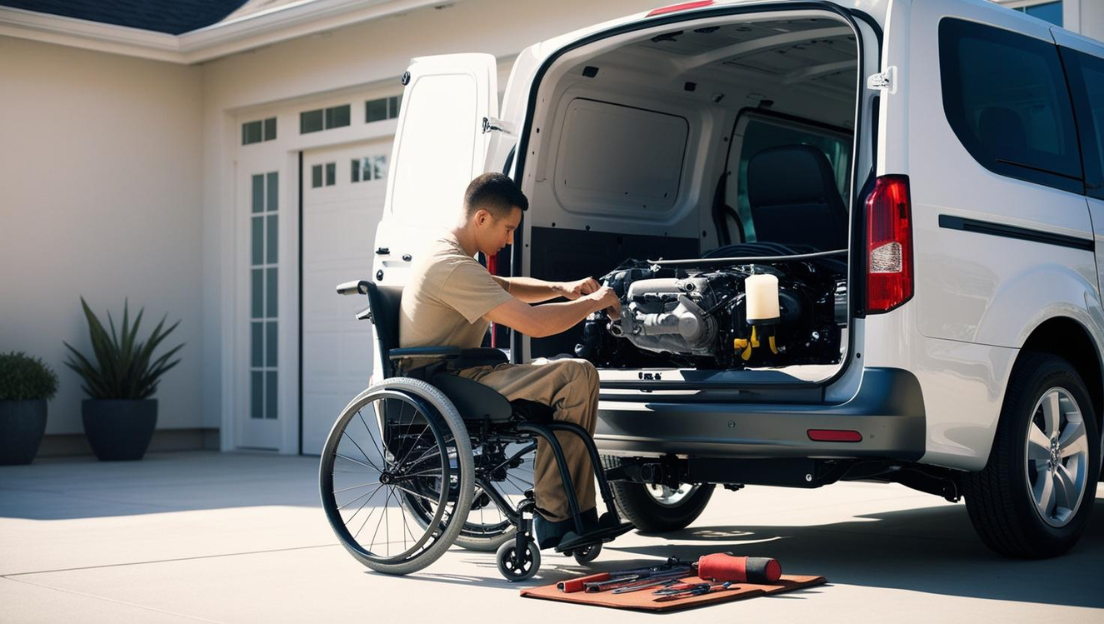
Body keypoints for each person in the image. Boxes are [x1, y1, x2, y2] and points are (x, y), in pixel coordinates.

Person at [399, 172, 621, 549]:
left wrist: (562, 289)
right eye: (508, 228)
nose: (510, 238)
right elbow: (532, 324)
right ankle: (557, 516)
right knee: (574, 375)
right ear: (482, 218)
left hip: (464, 372)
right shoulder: (451, 265)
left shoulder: (453, 254)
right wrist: (593, 304)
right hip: (446, 383)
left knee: (578, 375)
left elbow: (506, 286)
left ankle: (573, 514)